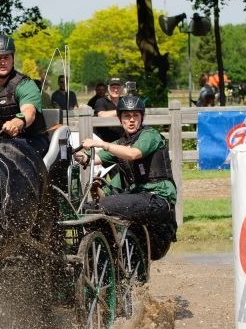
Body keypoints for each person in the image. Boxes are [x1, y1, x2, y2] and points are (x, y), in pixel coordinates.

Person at [74, 95, 177, 258]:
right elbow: (94, 158)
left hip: (158, 199)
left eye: (135, 116)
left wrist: (103, 144)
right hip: (137, 196)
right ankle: (108, 257)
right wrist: (78, 155)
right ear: (120, 119)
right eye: (127, 116)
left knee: (96, 208)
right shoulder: (120, 143)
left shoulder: (150, 135)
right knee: (89, 207)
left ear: (141, 117)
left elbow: (133, 153)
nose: (131, 120)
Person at [92, 77, 124, 142]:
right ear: (108, 88)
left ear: (121, 89)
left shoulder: (124, 101)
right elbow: (102, 115)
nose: (115, 90)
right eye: (113, 88)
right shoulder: (101, 101)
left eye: (118, 87)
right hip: (104, 142)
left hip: (122, 141)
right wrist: (122, 111)